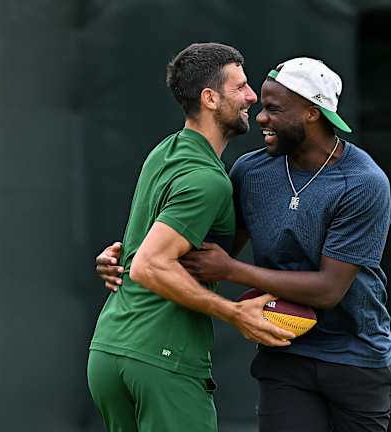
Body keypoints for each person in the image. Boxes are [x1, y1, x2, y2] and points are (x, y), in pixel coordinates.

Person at [96, 57, 391, 432]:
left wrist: (232, 271)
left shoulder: (363, 183)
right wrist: (129, 255)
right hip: (285, 352)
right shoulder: (250, 172)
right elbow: (199, 253)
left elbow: (328, 289)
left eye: (273, 109)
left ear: (310, 113)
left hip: (356, 357)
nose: (260, 117)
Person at [87, 43, 295, 432]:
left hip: (109, 351)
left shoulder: (165, 152)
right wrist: (234, 313)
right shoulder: (209, 181)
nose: (252, 97)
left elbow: (147, 252)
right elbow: (151, 264)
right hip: (160, 359)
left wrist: (120, 257)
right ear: (210, 98)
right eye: (241, 87)